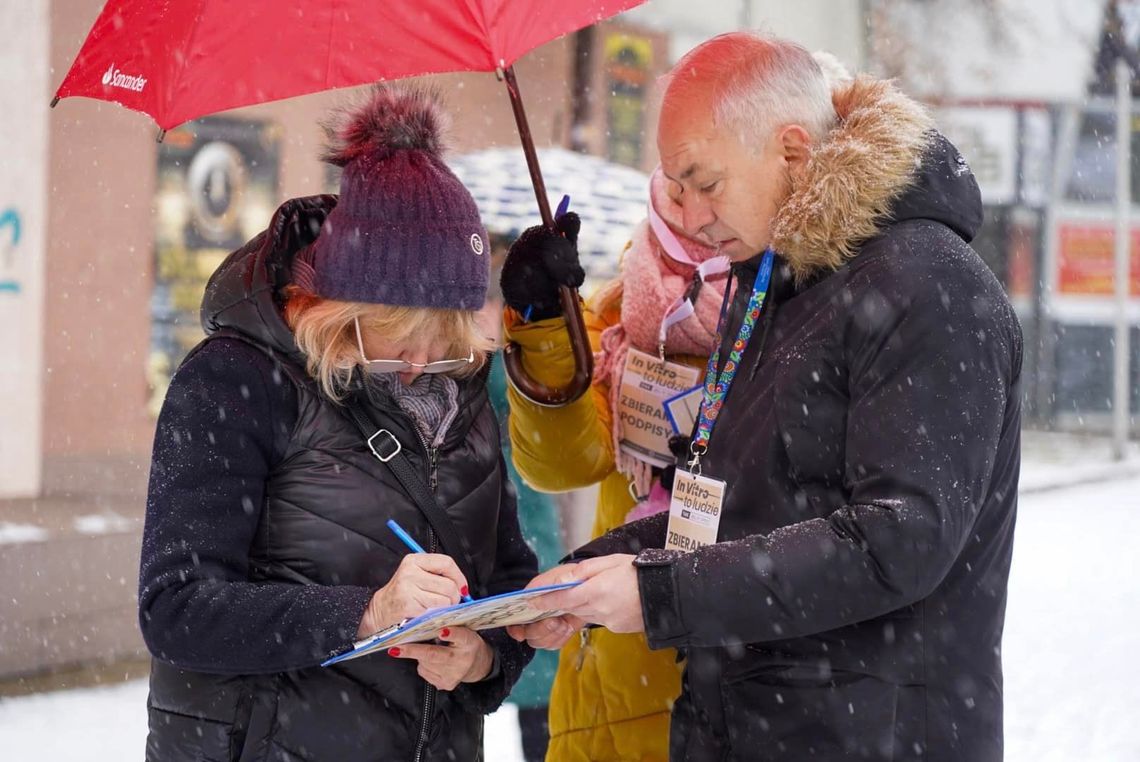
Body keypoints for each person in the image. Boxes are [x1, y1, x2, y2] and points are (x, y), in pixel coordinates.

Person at [509, 32, 1023, 762]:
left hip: (871, 738)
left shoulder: (929, 286)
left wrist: (658, 594)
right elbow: (733, 513)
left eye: (705, 183)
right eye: (673, 188)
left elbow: (899, 540)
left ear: (791, 153)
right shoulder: (771, 286)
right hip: (742, 728)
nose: (686, 216)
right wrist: (596, 569)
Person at [138, 85, 537, 762]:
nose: (421, 362)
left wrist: (482, 658)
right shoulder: (237, 378)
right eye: (400, 335)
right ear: (340, 309)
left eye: (444, 337)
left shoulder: (460, 389)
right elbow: (176, 609)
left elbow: (505, 577)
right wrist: (366, 614)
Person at [498, 166, 727, 759]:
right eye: (674, 169)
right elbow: (561, 465)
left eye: (703, 169)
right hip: (612, 676)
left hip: (726, 684)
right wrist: (545, 321)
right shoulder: (633, 298)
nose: (682, 195)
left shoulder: (803, 296)